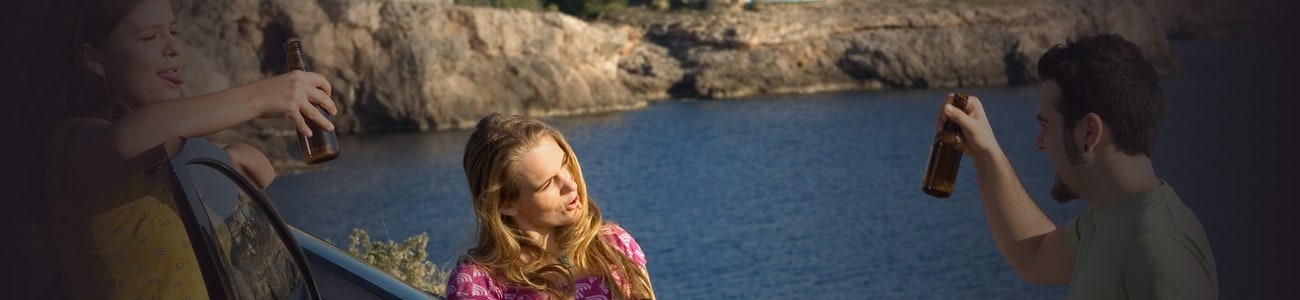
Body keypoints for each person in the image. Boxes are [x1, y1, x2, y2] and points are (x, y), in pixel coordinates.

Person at [43, 0, 338, 298]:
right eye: (149, 36)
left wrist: (221, 154)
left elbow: (259, 170)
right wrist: (259, 98)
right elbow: (125, 142)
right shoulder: (74, 142)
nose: (174, 48)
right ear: (94, 58)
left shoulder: (161, 145)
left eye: (173, 31)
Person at [937, 34, 1217, 299]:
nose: (1039, 143)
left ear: (1088, 133)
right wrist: (986, 153)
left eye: (1045, 127)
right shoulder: (1107, 219)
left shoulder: (1159, 249)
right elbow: (1033, 255)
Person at [447, 113, 655, 299]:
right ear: (505, 204)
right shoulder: (478, 283)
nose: (571, 185)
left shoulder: (614, 244)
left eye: (566, 165)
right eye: (547, 184)